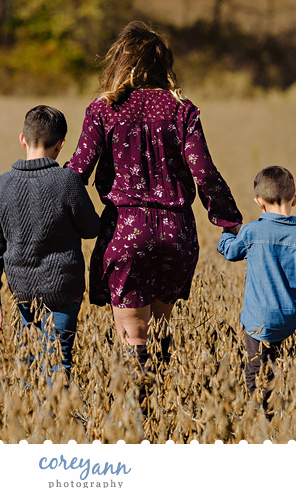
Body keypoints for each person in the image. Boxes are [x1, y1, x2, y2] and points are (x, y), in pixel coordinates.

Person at [65, 20, 243, 381]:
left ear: (118, 62)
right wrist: (228, 218)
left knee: (133, 334)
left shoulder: (103, 110)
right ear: (164, 63)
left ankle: (136, 416)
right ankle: (163, 406)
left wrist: (40, 195)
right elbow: (203, 170)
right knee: (161, 331)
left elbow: (76, 172)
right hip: (175, 233)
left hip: (125, 232)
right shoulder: (181, 109)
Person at [0, 105, 101, 384]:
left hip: (23, 292)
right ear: (60, 146)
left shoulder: (2, 185)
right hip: (63, 290)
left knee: (29, 364)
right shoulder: (67, 181)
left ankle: (31, 419)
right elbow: (91, 229)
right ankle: (61, 421)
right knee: (60, 364)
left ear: (22, 139)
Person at [218, 165, 296, 409]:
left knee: (256, 368)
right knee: (285, 362)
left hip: (258, 319)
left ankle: (260, 414)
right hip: (292, 318)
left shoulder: (251, 231)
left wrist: (228, 232)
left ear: (259, 202)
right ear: (295, 199)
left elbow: (230, 252)